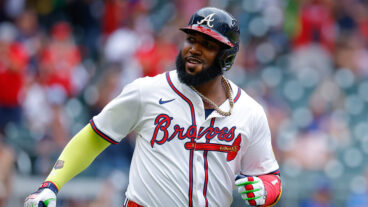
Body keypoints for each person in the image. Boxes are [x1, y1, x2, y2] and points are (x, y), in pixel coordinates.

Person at [24, 7, 282, 207]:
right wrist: (51, 185)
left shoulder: (249, 111)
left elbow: (271, 177)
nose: (194, 49)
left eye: (208, 45)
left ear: (227, 57)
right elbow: (94, 135)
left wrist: (265, 190)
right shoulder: (147, 91)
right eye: (191, 39)